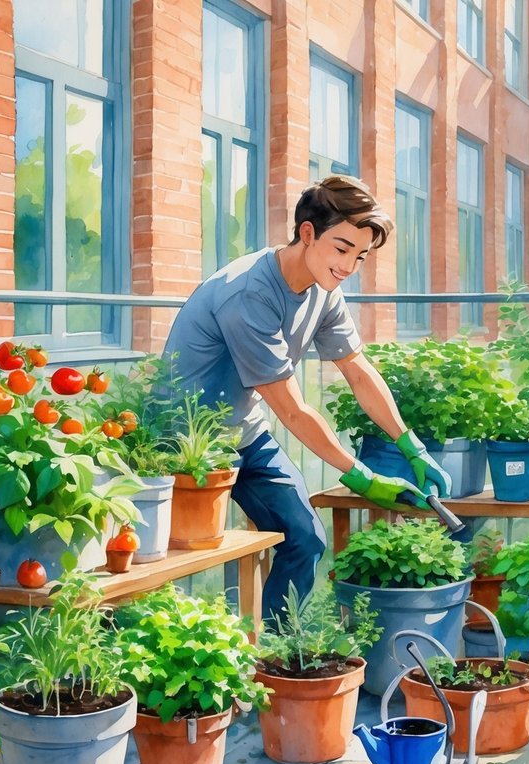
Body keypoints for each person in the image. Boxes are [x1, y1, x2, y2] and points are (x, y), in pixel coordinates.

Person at [163, 175, 452, 625]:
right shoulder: (250, 293)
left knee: (306, 539)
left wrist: (409, 445)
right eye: (341, 249)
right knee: (176, 565)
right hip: (180, 446)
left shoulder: (323, 289)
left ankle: (277, 659)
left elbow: (358, 371)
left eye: (360, 255)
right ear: (307, 233)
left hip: (242, 436)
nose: (349, 266)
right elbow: (293, 410)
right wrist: (362, 477)